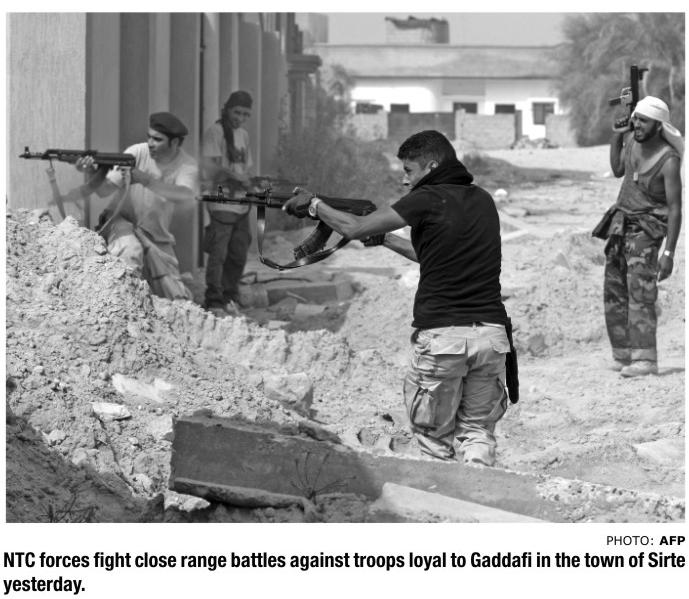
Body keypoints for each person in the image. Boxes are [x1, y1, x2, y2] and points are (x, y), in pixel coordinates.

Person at [283, 130, 512, 466]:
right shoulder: (482, 200)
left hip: (444, 338)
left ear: (431, 166)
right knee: (478, 432)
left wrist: (315, 206)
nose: (405, 180)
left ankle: (442, 496)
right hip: (491, 338)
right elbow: (431, 256)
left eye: (409, 170)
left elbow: (354, 227)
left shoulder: (426, 198)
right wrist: (387, 239)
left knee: (434, 442)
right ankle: (478, 489)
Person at [593, 96, 683, 377]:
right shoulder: (632, 141)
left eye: (644, 121)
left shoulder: (668, 160)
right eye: (636, 119)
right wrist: (616, 137)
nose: (637, 125)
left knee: (641, 293)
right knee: (614, 290)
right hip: (621, 224)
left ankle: (645, 360)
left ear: (659, 126)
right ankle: (623, 354)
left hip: (647, 230)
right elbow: (618, 169)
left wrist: (668, 253)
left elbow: (675, 208)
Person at [77, 112, 198, 301]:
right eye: (149, 137)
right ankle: (123, 306)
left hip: (156, 235)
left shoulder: (187, 165)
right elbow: (104, 191)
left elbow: (185, 195)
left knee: (176, 298)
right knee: (130, 251)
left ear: (174, 142)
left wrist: (146, 180)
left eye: (157, 139)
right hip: (121, 223)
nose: (150, 143)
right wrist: (91, 172)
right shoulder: (136, 153)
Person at [201, 90, 258, 317]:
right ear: (227, 109)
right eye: (237, 112)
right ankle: (214, 300)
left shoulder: (243, 135)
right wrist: (236, 177)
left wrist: (252, 184)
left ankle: (230, 296)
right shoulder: (215, 132)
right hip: (221, 202)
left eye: (245, 114)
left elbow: (246, 168)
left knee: (238, 254)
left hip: (241, 204)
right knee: (219, 254)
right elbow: (210, 168)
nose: (240, 118)